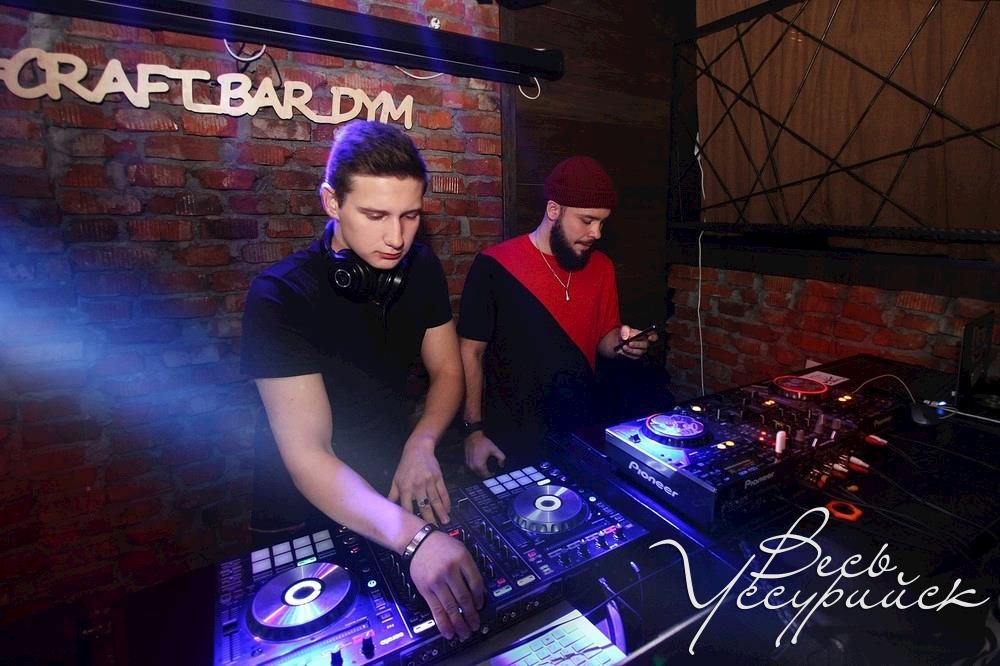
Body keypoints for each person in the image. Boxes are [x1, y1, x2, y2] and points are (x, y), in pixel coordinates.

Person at [241, 120, 483, 641]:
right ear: (332, 202)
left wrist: (421, 442)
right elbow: (309, 454)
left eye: (410, 216)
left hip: (391, 477)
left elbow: (447, 371)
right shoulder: (280, 298)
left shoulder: (420, 268)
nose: (396, 238)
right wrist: (416, 540)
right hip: (306, 506)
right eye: (375, 216)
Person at [458, 156, 658, 476]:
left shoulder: (602, 267)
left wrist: (624, 343)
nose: (596, 233)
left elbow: (603, 338)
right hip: (511, 434)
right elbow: (471, 352)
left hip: (580, 428)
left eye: (602, 223)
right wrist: (473, 430)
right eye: (587, 220)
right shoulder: (494, 265)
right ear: (554, 210)